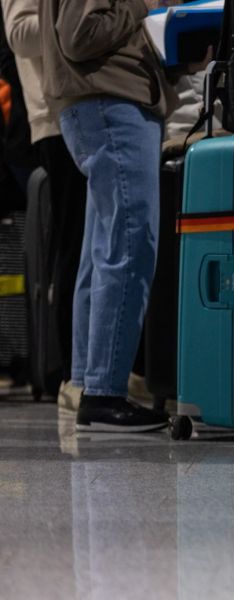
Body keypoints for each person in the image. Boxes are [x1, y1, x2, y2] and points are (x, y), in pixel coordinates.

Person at [39, 0, 176, 432]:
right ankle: (104, 393)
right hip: (110, 101)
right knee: (130, 245)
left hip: (100, 101)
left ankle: (89, 382)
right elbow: (80, 36)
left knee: (101, 251)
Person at [3, 0, 87, 410]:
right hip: (55, 115)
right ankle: (71, 370)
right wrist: (75, 18)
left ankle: (81, 367)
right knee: (74, 244)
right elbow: (19, 34)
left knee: (85, 242)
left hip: (77, 104)